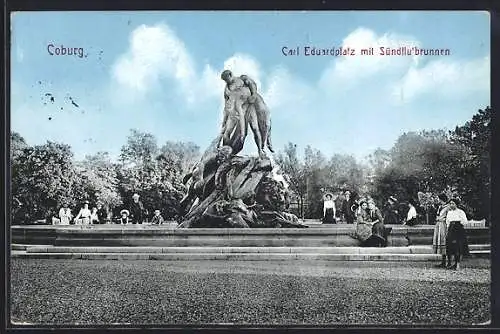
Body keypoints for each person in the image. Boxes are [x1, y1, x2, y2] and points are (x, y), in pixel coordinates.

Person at [445, 198, 470, 270]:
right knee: (450, 245)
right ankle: (450, 263)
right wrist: (448, 229)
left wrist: (458, 224)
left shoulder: (460, 212)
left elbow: (465, 221)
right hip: (451, 229)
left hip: (458, 229)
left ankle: (457, 264)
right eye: (450, 204)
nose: (451, 205)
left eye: (453, 203)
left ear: (456, 204)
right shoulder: (449, 212)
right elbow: (447, 222)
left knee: (457, 246)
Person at [433, 193, 451, 268]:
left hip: (444, 225)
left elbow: (449, 217)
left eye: (439, 199)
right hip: (438, 225)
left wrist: (442, 219)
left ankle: (449, 262)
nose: (438, 200)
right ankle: (443, 261)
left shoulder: (448, 207)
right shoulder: (440, 207)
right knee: (440, 242)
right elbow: (438, 215)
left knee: (445, 242)